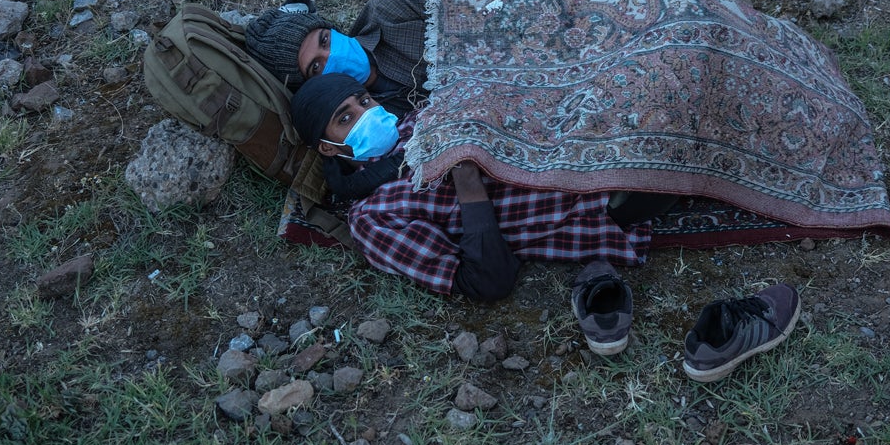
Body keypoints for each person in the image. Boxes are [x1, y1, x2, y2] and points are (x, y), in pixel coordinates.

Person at [289, 72, 801, 380]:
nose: (365, 113)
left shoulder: (410, 124)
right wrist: (469, 186)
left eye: (364, 101)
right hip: (591, 202)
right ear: (326, 147)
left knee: (675, 81)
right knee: (692, 137)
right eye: (344, 116)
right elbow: (486, 281)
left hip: (576, 135)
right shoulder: (375, 218)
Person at [245, 0, 429, 113]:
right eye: (316, 67)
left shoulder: (394, 6)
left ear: (330, 29)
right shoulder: (354, 119)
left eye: (324, 40)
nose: (333, 55)